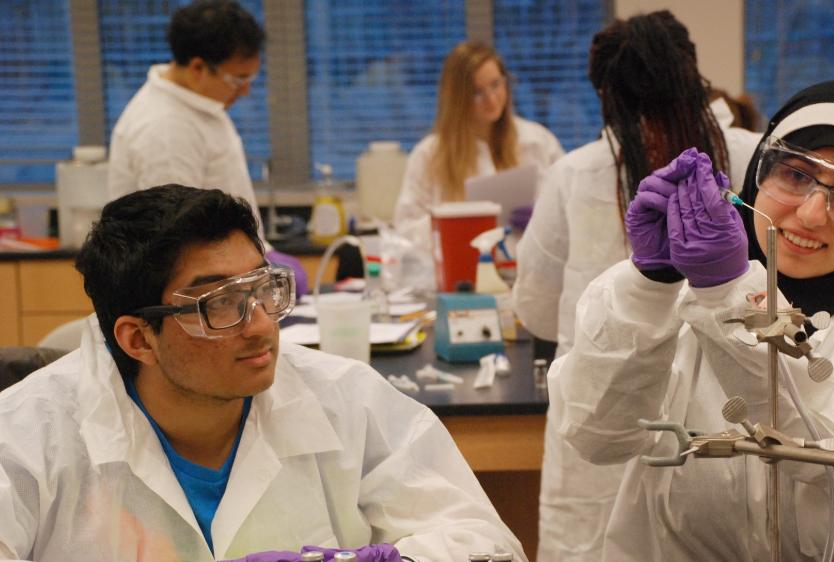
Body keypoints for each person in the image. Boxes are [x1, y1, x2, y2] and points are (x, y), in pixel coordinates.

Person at [549, 80, 834, 560]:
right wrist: (648, 286)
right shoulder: (676, 295)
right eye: (795, 175)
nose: (810, 214)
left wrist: (728, 293)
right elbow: (598, 436)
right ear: (759, 175)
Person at [0, 185, 525, 561]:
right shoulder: (25, 436)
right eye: (221, 303)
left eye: (263, 290)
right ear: (138, 339)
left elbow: (486, 542)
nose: (260, 327)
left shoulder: (346, 398)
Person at [511, 11, 759, 561]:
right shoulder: (753, 156)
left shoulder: (576, 174)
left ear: (606, 96)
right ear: (693, 74)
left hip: (688, 424)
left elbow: (534, 307)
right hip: (636, 430)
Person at [106, 0, 308, 296]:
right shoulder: (165, 128)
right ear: (198, 67)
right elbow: (179, 241)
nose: (246, 90)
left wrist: (263, 257)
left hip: (225, 281)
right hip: (193, 294)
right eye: (238, 78)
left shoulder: (198, 106)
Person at [392, 41, 564, 281]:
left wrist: (543, 220)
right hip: (460, 279)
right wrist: (456, 226)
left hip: (529, 277)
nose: (491, 100)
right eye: (476, 92)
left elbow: (568, 211)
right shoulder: (429, 155)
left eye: (496, 85)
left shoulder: (538, 142)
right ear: (457, 98)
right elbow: (405, 231)